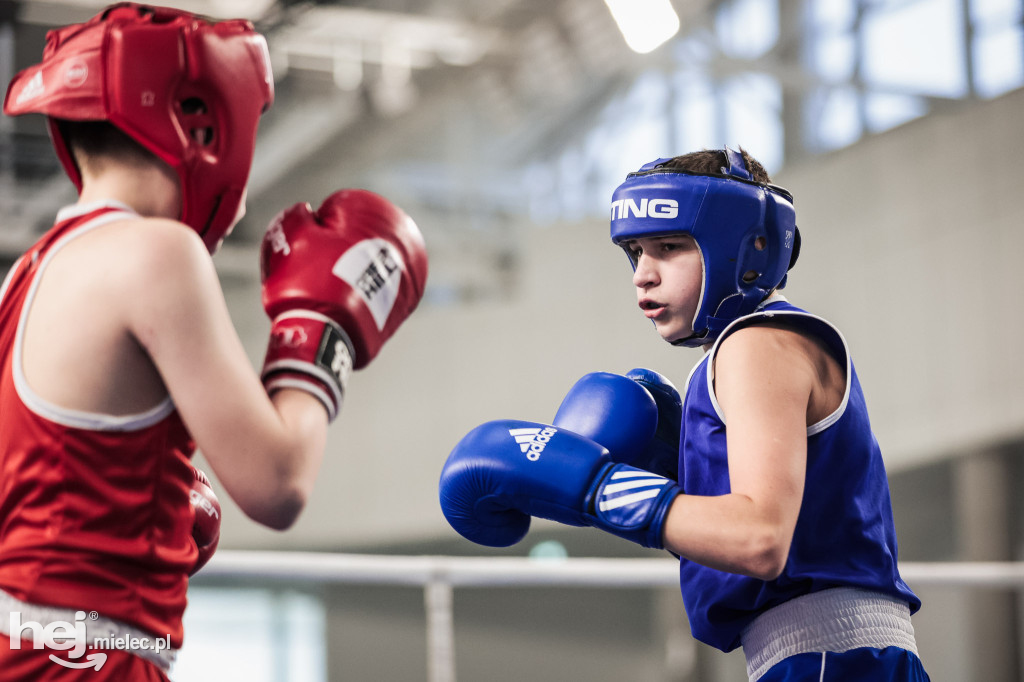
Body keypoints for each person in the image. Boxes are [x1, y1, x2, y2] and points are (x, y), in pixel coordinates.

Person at [0, 3, 427, 680]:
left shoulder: (25, 278)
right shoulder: (157, 253)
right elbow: (278, 482)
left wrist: (154, 511)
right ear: (199, 120)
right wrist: (322, 331)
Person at [438, 147, 929, 680]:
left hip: (832, 661)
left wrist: (597, 487)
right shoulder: (755, 347)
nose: (642, 275)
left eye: (669, 246)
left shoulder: (755, 344)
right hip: (833, 659)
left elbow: (760, 538)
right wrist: (679, 475)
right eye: (635, 251)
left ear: (749, 248)